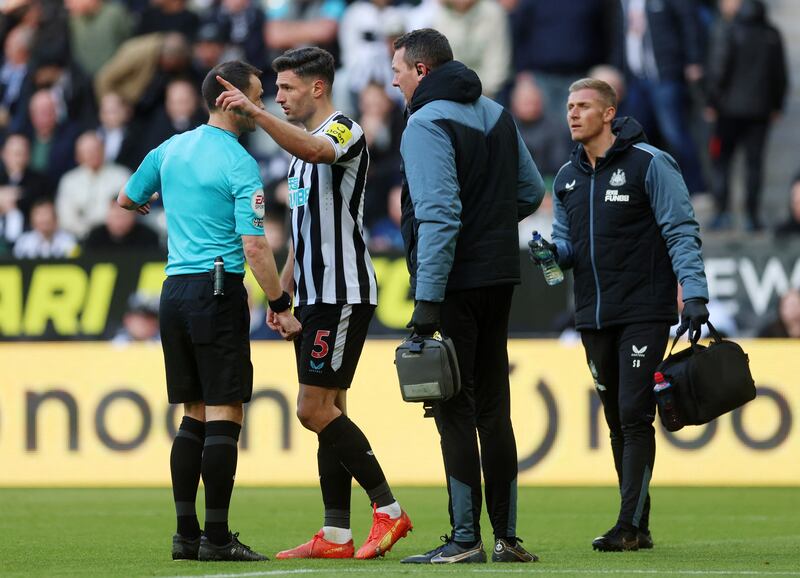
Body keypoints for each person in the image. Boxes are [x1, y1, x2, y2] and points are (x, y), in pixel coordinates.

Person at [214, 47, 412, 560]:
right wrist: (282, 298)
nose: (277, 97)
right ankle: (337, 534)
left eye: (286, 88)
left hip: (343, 293)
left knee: (312, 409)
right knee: (332, 410)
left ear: (317, 87)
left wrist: (253, 113)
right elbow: (302, 236)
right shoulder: (295, 154)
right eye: (274, 91)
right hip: (315, 295)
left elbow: (319, 151)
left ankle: (389, 511)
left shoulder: (344, 129)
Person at [117, 60, 301, 563]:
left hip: (173, 292)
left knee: (190, 413)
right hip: (217, 290)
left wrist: (162, 205)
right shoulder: (239, 162)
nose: (260, 106)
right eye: (257, 96)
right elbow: (256, 247)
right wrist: (281, 306)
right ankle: (217, 539)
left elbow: (126, 198)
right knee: (225, 412)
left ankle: (185, 535)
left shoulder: (169, 148)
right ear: (229, 97)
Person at [532, 78, 709, 551]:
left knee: (633, 415)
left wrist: (693, 292)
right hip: (591, 314)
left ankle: (628, 525)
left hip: (643, 310)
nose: (572, 114)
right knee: (616, 418)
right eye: (569, 106)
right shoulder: (567, 177)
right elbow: (567, 246)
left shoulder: (650, 163)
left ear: (608, 113)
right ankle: (639, 526)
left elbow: (680, 229)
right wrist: (551, 253)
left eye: (584, 106)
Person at [390, 29, 545, 564]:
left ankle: (464, 539)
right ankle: (506, 538)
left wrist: (427, 301)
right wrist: (490, 230)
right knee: (494, 411)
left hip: (452, 283)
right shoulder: (498, 112)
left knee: (453, 408)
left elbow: (438, 215)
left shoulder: (425, 122)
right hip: (500, 275)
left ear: (423, 71)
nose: (394, 79)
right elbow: (531, 191)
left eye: (400, 70)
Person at [705, 0, 788, 231]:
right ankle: (752, 216)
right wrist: (777, 106)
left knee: (721, 161)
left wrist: (712, 102)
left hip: (727, 112)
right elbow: (780, 75)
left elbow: (719, 69)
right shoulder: (772, 34)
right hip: (760, 112)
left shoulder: (729, 31)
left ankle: (722, 213)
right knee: (754, 165)